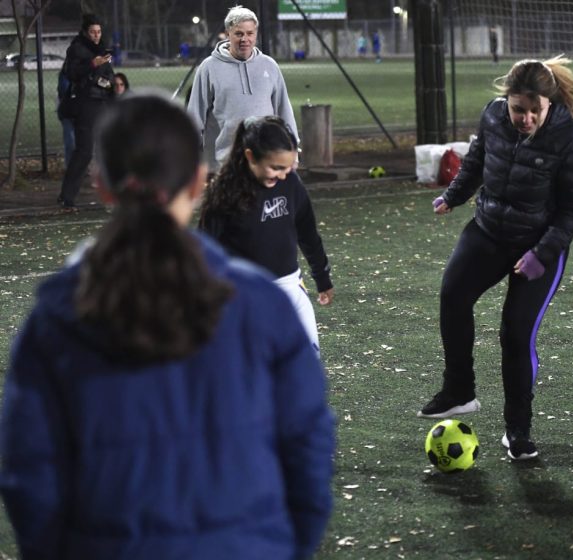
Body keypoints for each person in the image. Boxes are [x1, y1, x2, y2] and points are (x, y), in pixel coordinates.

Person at [0, 93, 335, 558]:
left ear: (102, 185)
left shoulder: (54, 319)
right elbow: (308, 449)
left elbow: (29, 474)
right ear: (198, 181)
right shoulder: (263, 307)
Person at [417, 56, 573, 461]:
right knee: (453, 296)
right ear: (506, 100)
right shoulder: (494, 115)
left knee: (515, 334)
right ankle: (459, 391)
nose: (526, 118)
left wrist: (542, 253)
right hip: (489, 229)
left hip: (539, 244)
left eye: (535, 110)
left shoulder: (569, 138)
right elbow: (477, 160)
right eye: (518, 108)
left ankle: (518, 430)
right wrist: (454, 196)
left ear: (550, 104)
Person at [199, 116, 333, 354]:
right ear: (250, 156)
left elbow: (308, 232)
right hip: (245, 296)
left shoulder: (291, 185)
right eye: (275, 168)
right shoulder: (224, 195)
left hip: (291, 288)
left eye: (288, 168)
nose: (282, 175)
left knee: (306, 364)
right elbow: (205, 253)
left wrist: (321, 276)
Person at [187, 5, 299, 172]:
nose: (244, 39)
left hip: (266, 161)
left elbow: (284, 110)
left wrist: (293, 149)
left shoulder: (269, 66)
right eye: (239, 34)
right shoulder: (209, 68)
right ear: (228, 33)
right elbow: (195, 115)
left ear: (256, 34)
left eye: (249, 33)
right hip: (225, 164)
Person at [57, 13, 115, 210]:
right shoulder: (77, 49)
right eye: (92, 32)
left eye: (99, 32)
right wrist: (93, 65)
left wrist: (108, 82)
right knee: (84, 151)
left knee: (110, 149)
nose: (96, 35)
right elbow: (71, 73)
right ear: (85, 32)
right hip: (85, 105)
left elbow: (110, 77)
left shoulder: (102, 50)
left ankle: (117, 193)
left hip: (102, 103)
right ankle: (67, 196)